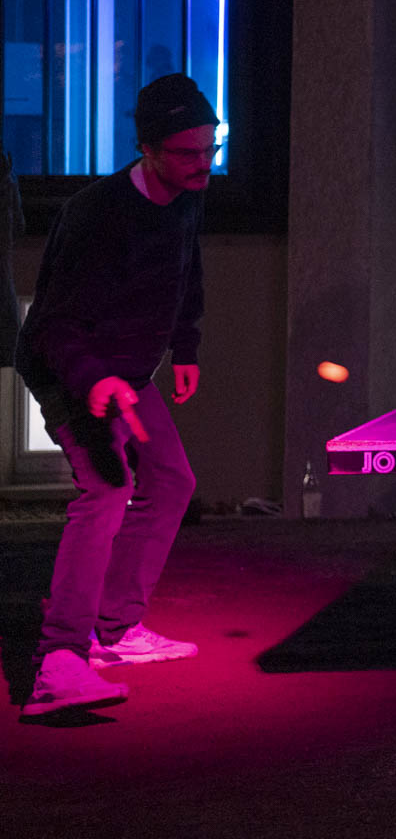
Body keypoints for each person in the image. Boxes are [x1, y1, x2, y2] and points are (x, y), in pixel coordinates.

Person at [18, 73, 217, 718]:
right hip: (68, 369)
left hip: (127, 372)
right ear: (148, 150)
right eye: (187, 153)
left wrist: (184, 349)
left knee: (172, 481)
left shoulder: (187, 195)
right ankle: (59, 661)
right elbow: (52, 325)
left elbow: (187, 273)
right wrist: (94, 380)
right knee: (106, 489)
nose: (203, 164)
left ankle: (116, 627)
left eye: (210, 148)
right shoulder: (95, 214)